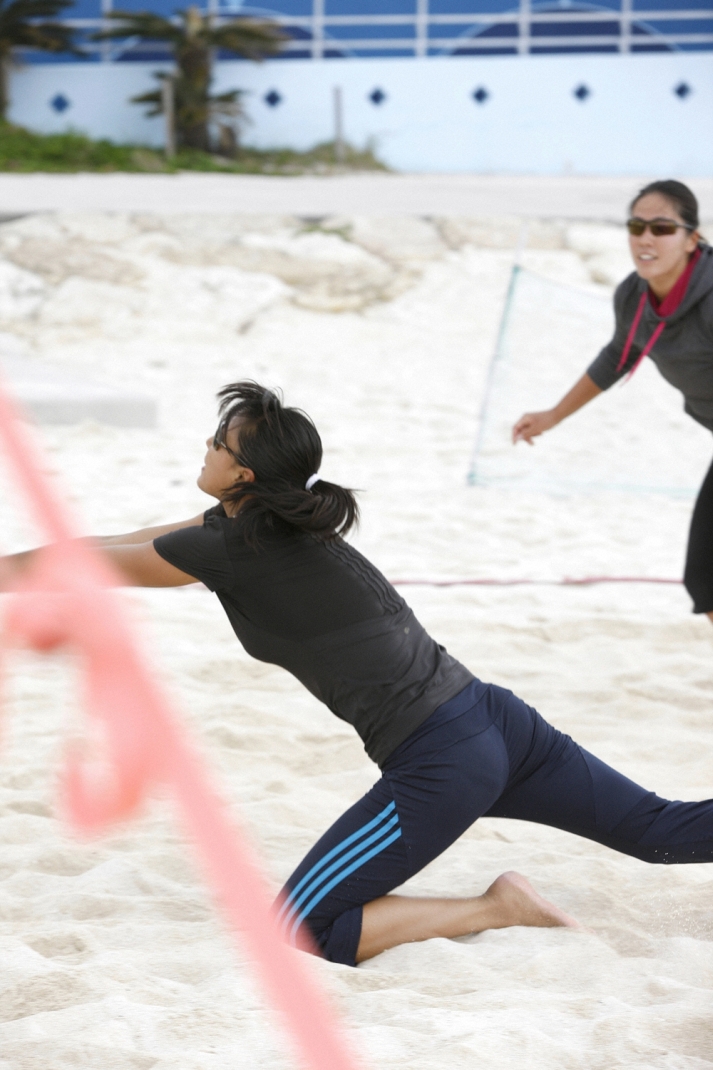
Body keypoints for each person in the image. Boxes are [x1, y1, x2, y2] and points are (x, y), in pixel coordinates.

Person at [3, 381, 713, 968]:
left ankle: (497, 907)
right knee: (657, 830)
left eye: (219, 442)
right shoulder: (266, 521)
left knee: (301, 927)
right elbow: (122, 541)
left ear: (244, 475)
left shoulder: (236, 546)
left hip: (443, 758)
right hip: (496, 718)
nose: (208, 446)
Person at [512, 179, 713, 620]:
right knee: (705, 578)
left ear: (691, 239)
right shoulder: (633, 297)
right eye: (636, 226)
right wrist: (553, 416)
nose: (645, 238)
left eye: (662, 228)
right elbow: (617, 356)